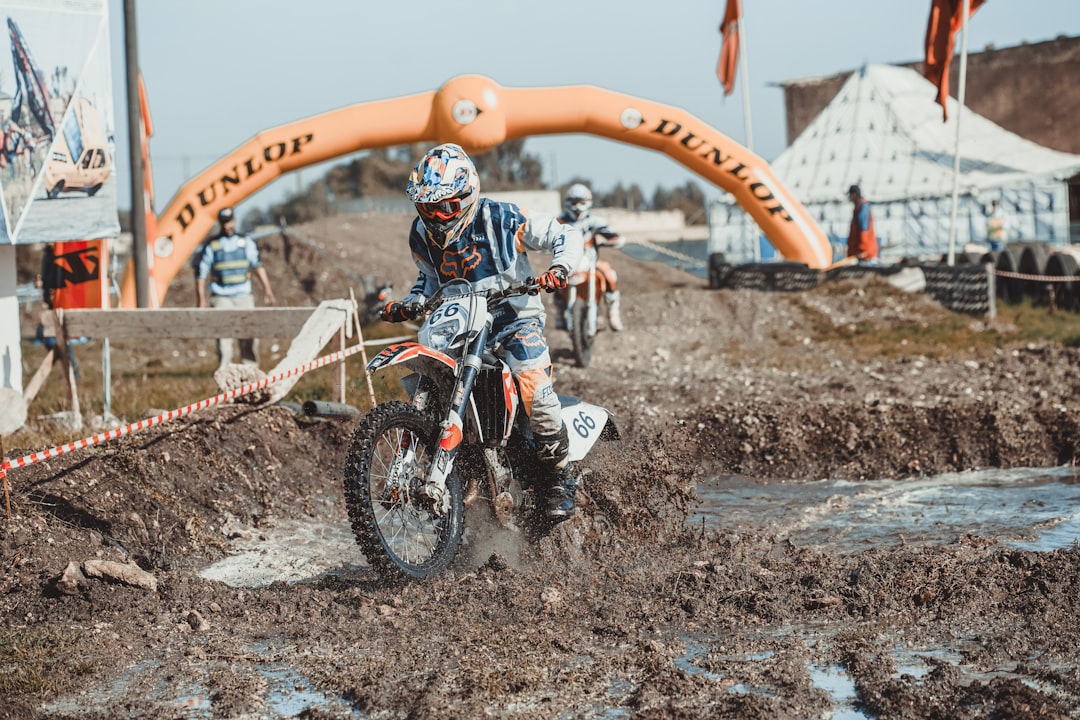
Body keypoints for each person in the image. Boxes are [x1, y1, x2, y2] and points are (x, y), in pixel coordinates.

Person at [380, 142, 585, 521]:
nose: (439, 217)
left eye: (447, 207)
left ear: (468, 194)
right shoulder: (421, 236)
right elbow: (428, 280)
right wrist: (410, 301)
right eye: (428, 208)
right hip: (456, 322)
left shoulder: (502, 218)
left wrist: (560, 268)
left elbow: (565, 233)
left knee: (534, 390)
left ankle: (560, 478)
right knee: (429, 378)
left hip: (513, 318)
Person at [196, 206, 276, 368]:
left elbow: (257, 265)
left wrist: (267, 289)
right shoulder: (213, 245)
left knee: (249, 336)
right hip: (221, 297)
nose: (227, 226)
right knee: (224, 339)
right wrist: (201, 300)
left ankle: (250, 374)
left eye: (229, 221)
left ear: (234, 220)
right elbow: (201, 273)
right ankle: (225, 375)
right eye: (224, 222)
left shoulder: (245, 242)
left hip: (243, 296)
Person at [554, 183, 627, 332]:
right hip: (568, 262)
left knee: (609, 273)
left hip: (591, 261)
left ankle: (613, 313)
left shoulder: (594, 221)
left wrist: (612, 241)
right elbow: (547, 236)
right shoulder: (560, 221)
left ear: (588, 203)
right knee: (554, 277)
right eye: (574, 203)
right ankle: (560, 314)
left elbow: (612, 235)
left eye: (581, 202)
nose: (577, 207)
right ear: (567, 203)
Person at [846, 184, 879, 263]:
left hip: (865, 254)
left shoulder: (863, 209)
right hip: (859, 253)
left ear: (855, 194)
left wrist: (863, 250)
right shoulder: (859, 208)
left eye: (850, 195)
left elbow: (864, 231)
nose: (849, 198)